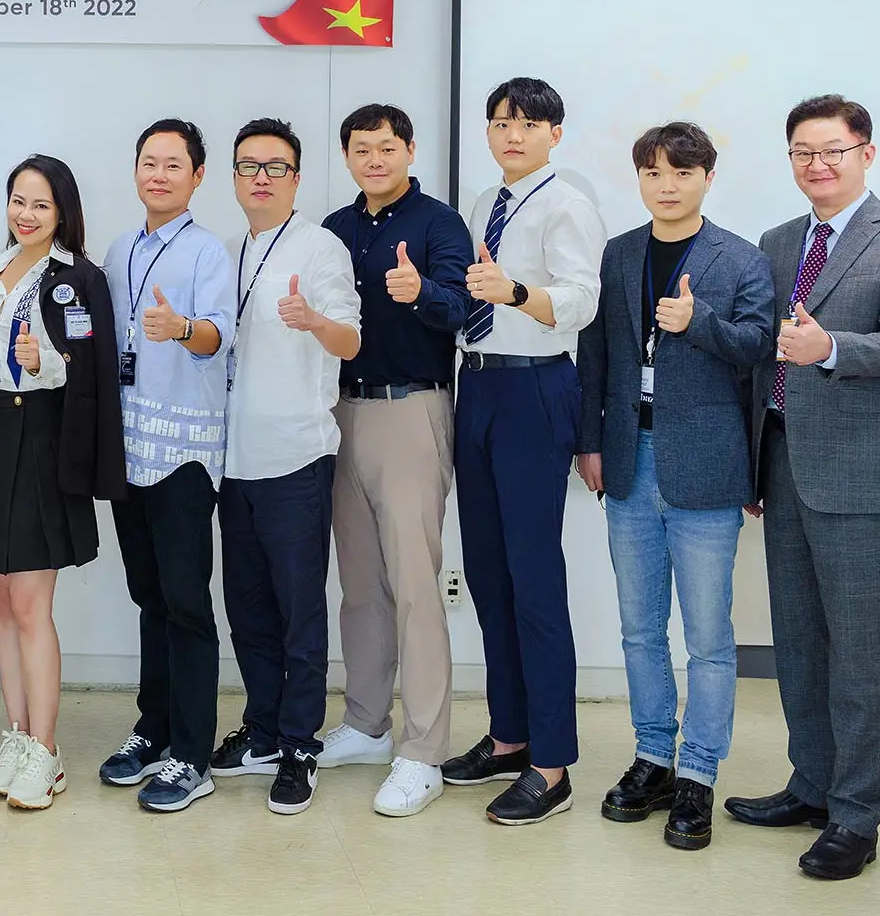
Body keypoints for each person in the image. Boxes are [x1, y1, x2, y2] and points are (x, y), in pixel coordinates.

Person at [724, 95, 880, 881]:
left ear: (865, 154)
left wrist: (828, 349)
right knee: (800, 643)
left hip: (864, 475)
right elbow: (760, 357)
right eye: (802, 152)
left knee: (862, 655)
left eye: (832, 151)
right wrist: (751, 463)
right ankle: (811, 786)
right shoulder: (778, 242)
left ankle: (856, 816)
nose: (817, 164)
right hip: (784, 464)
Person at [576, 121, 773, 851]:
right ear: (639, 178)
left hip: (708, 467)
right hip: (630, 458)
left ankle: (698, 773)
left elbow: (758, 349)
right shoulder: (619, 253)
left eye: (682, 173)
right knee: (638, 628)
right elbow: (595, 352)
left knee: (709, 638)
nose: (667, 185)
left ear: (707, 179)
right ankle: (653, 756)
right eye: (653, 172)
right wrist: (590, 441)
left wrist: (700, 321)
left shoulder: (742, 258)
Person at [441, 77, 605, 826]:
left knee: (534, 578)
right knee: (487, 571)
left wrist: (513, 293)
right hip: (476, 385)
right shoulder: (485, 202)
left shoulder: (567, 203)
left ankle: (552, 763)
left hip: (535, 388)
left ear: (555, 134)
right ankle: (509, 736)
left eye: (529, 124)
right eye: (502, 122)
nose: (513, 135)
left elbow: (579, 303)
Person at [0, 155, 125, 813]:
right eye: (18, 201)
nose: (26, 215)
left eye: (41, 205)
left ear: (63, 213)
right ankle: (18, 734)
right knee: (1, 599)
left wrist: (44, 358)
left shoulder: (79, 278)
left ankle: (46, 751)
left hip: (46, 437)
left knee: (31, 604)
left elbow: (90, 361)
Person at [320, 103, 473, 818]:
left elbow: (465, 308)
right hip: (339, 412)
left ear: (410, 150)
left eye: (387, 147)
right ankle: (365, 723)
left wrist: (423, 294)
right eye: (362, 149)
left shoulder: (439, 224)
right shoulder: (335, 229)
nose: (374, 160)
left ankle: (423, 751)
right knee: (359, 582)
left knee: (414, 584)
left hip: (412, 409)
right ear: (347, 156)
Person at [211, 119, 360, 817]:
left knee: (299, 610)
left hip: (296, 455)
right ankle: (264, 730)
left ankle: (300, 744)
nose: (261, 178)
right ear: (234, 178)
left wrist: (313, 321)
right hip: (233, 460)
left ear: (296, 179)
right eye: (249, 166)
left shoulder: (319, 246)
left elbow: (351, 340)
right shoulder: (228, 251)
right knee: (248, 609)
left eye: (276, 167)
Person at [96, 118, 237, 814]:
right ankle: (152, 730)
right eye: (148, 162)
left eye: (173, 164)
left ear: (197, 176)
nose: (158, 174)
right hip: (128, 450)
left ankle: (192, 754)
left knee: (186, 602)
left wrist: (181, 328)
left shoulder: (208, 251)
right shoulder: (119, 249)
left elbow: (217, 338)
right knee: (148, 596)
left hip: (182, 452)